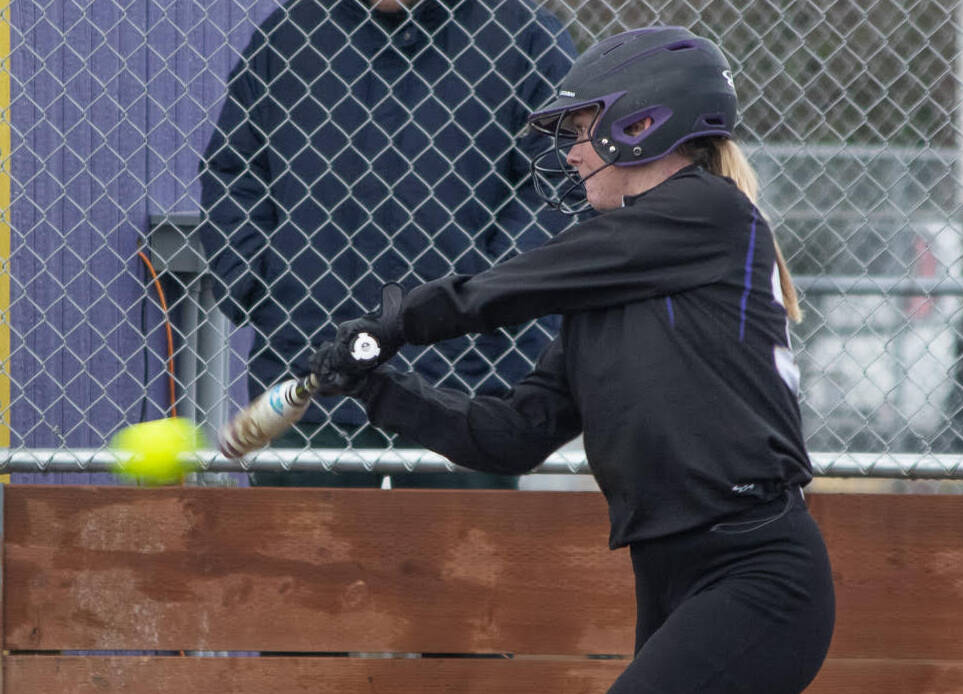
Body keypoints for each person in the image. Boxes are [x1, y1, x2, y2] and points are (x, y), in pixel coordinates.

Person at [310, 26, 835, 694]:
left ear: (644, 123)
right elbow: (511, 437)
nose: (574, 152)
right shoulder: (612, 287)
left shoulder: (704, 213)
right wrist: (377, 389)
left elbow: (519, 285)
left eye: (586, 128)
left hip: (756, 571)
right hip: (672, 572)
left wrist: (400, 321)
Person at [198, 0, 576, 488]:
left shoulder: (524, 36)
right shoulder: (291, 35)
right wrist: (260, 285)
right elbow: (233, 171)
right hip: (315, 368)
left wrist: (491, 297)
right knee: (301, 558)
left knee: (463, 556)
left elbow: (562, 180)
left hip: (468, 383)